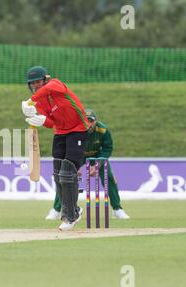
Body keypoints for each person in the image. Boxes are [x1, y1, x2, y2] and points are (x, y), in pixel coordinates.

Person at [22, 66, 90, 231]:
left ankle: (70, 217)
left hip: (79, 130)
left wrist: (29, 101)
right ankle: (73, 210)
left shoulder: (56, 84)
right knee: (58, 173)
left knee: (68, 170)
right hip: (60, 132)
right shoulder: (40, 101)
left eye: (39, 81)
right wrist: (41, 120)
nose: (36, 85)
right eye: (33, 83)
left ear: (45, 79)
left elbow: (49, 89)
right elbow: (51, 122)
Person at [46, 109, 130, 220]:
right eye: (86, 120)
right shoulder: (74, 129)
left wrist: (98, 164)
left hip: (97, 156)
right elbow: (66, 147)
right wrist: (73, 164)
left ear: (96, 122)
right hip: (77, 155)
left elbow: (107, 148)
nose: (89, 124)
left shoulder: (103, 130)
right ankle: (57, 210)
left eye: (91, 121)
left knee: (109, 177)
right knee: (65, 178)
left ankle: (117, 209)